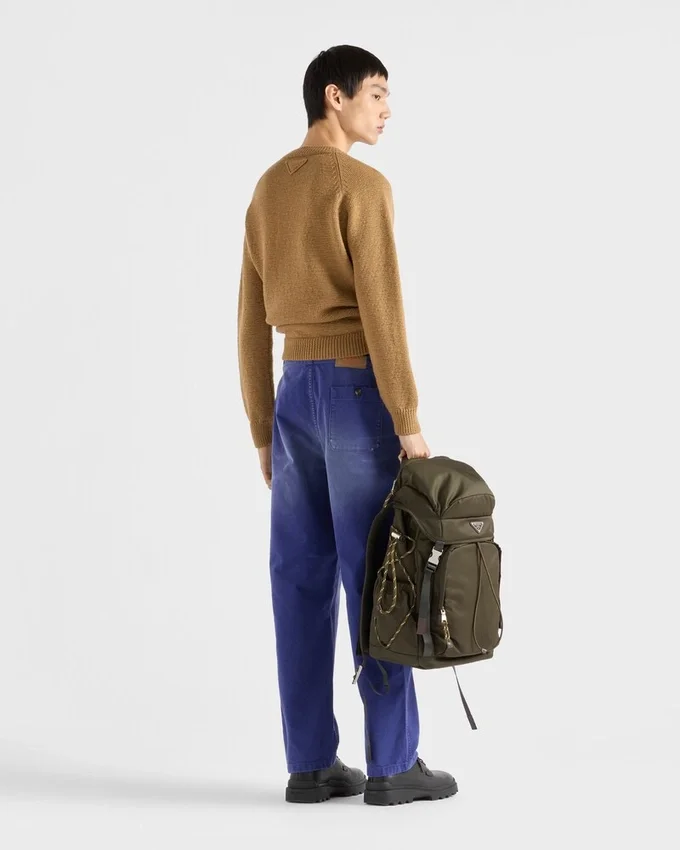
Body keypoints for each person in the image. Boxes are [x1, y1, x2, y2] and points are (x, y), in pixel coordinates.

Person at [237, 44, 457, 806]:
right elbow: (381, 312)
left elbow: (248, 319)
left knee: (298, 578)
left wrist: (262, 427)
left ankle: (309, 764)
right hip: (357, 391)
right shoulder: (361, 186)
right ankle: (392, 764)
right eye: (377, 94)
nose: (387, 110)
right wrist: (408, 419)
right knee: (380, 577)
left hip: (294, 395)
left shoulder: (268, 189)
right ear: (335, 96)